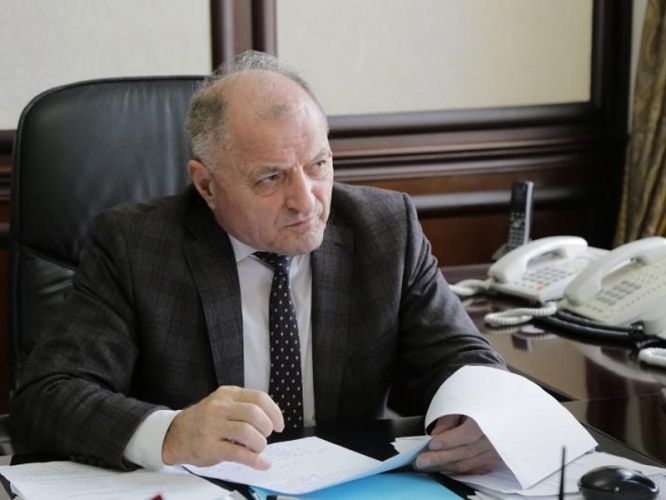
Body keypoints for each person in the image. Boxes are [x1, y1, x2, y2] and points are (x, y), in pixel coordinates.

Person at [10, 51, 506, 475]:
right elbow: (47, 397)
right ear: (207, 185)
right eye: (270, 178)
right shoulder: (134, 246)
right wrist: (172, 433)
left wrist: (487, 416)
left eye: (318, 165)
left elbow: (461, 356)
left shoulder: (385, 228)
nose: (305, 200)